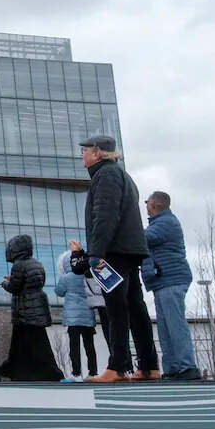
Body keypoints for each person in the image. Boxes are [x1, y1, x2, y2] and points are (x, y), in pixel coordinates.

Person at [78, 135, 159, 383]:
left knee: (116, 309)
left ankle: (117, 367)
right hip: (127, 251)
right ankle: (148, 366)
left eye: (85, 150)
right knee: (135, 307)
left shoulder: (106, 176)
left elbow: (105, 216)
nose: (82, 154)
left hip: (114, 252)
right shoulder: (121, 175)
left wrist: (96, 252)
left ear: (98, 153)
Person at [142, 191, 200, 381]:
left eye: (147, 202)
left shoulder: (165, 223)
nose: (146, 205)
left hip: (171, 280)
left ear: (155, 205)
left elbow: (142, 239)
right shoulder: (161, 223)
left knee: (175, 325)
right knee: (166, 328)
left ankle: (187, 367)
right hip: (162, 281)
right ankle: (173, 369)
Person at [0, 235, 64, 382]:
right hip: (38, 307)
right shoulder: (37, 263)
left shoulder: (18, 265)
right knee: (38, 342)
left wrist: (4, 284)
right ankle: (43, 371)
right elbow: (33, 283)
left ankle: (20, 372)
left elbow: (15, 288)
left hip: (24, 309)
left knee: (22, 344)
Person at [55, 248, 98, 380]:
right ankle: (93, 372)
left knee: (74, 346)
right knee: (89, 345)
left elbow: (59, 292)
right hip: (88, 316)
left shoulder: (66, 278)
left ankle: (76, 372)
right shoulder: (88, 275)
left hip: (73, 319)